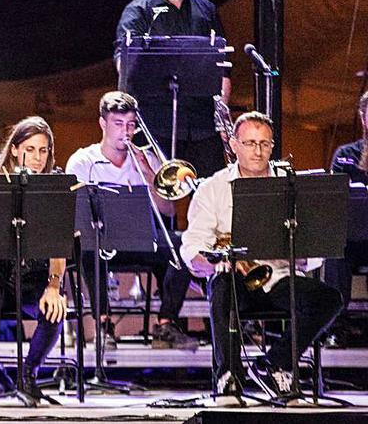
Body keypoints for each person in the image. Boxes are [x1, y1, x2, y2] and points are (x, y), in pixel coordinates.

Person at [181, 111, 343, 400]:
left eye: (264, 144)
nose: (258, 151)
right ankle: (228, 376)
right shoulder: (212, 188)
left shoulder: (291, 187)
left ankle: (277, 362)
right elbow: (193, 247)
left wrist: (296, 254)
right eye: (250, 143)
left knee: (329, 298)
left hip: (280, 276)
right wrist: (220, 259)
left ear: (272, 146)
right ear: (234, 145)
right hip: (235, 279)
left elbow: (315, 245)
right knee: (220, 290)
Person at [64, 91, 198, 350]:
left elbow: (168, 210)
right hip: (103, 242)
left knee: (182, 246)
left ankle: (166, 324)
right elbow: (75, 214)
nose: (125, 131)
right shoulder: (83, 161)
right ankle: (103, 325)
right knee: (88, 247)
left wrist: (148, 173)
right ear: (103, 124)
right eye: (118, 124)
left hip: (142, 239)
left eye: (130, 124)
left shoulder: (147, 159)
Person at [114, 0, 231, 183]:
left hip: (202, 124)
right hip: (156, 122)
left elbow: (223, 70)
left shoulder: (207, 10)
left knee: (212, 194)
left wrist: (221, 121)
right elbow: (123, 63)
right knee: (157, 199)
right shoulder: (138, 11)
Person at [0, 116, 68, 401]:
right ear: (14, 150)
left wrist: (54, 286)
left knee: (55, 307)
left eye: (43, 150)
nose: (37, 158)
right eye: (30, 149)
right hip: (1, 276)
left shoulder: (56, 185)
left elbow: (59, 245)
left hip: (37, 276)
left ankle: (28, 375)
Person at [326, 90, 368, 347]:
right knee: (333, 249)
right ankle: (335, 326)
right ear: (363, 119)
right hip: (351, 241)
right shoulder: (345, 155)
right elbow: (333, 204)